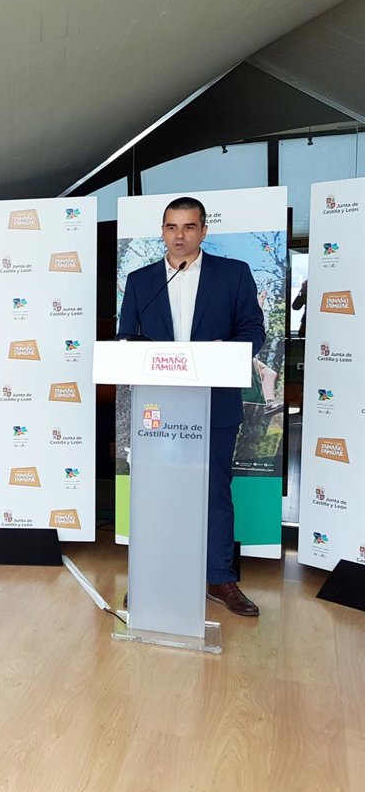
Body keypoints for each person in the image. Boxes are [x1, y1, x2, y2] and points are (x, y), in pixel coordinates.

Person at [118, 196, 266, 617]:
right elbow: (127, 336)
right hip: (158, 406)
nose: (179, 235)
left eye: (188, 227)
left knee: (214, 491)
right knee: (158, 492)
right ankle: (152, 575)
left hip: (214, 402)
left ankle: (219, 577)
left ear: (203, 230)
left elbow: (254, 330)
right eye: (171, 227)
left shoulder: (234, 274)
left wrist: (224, 350)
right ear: (162, 232)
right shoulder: (141, 280)